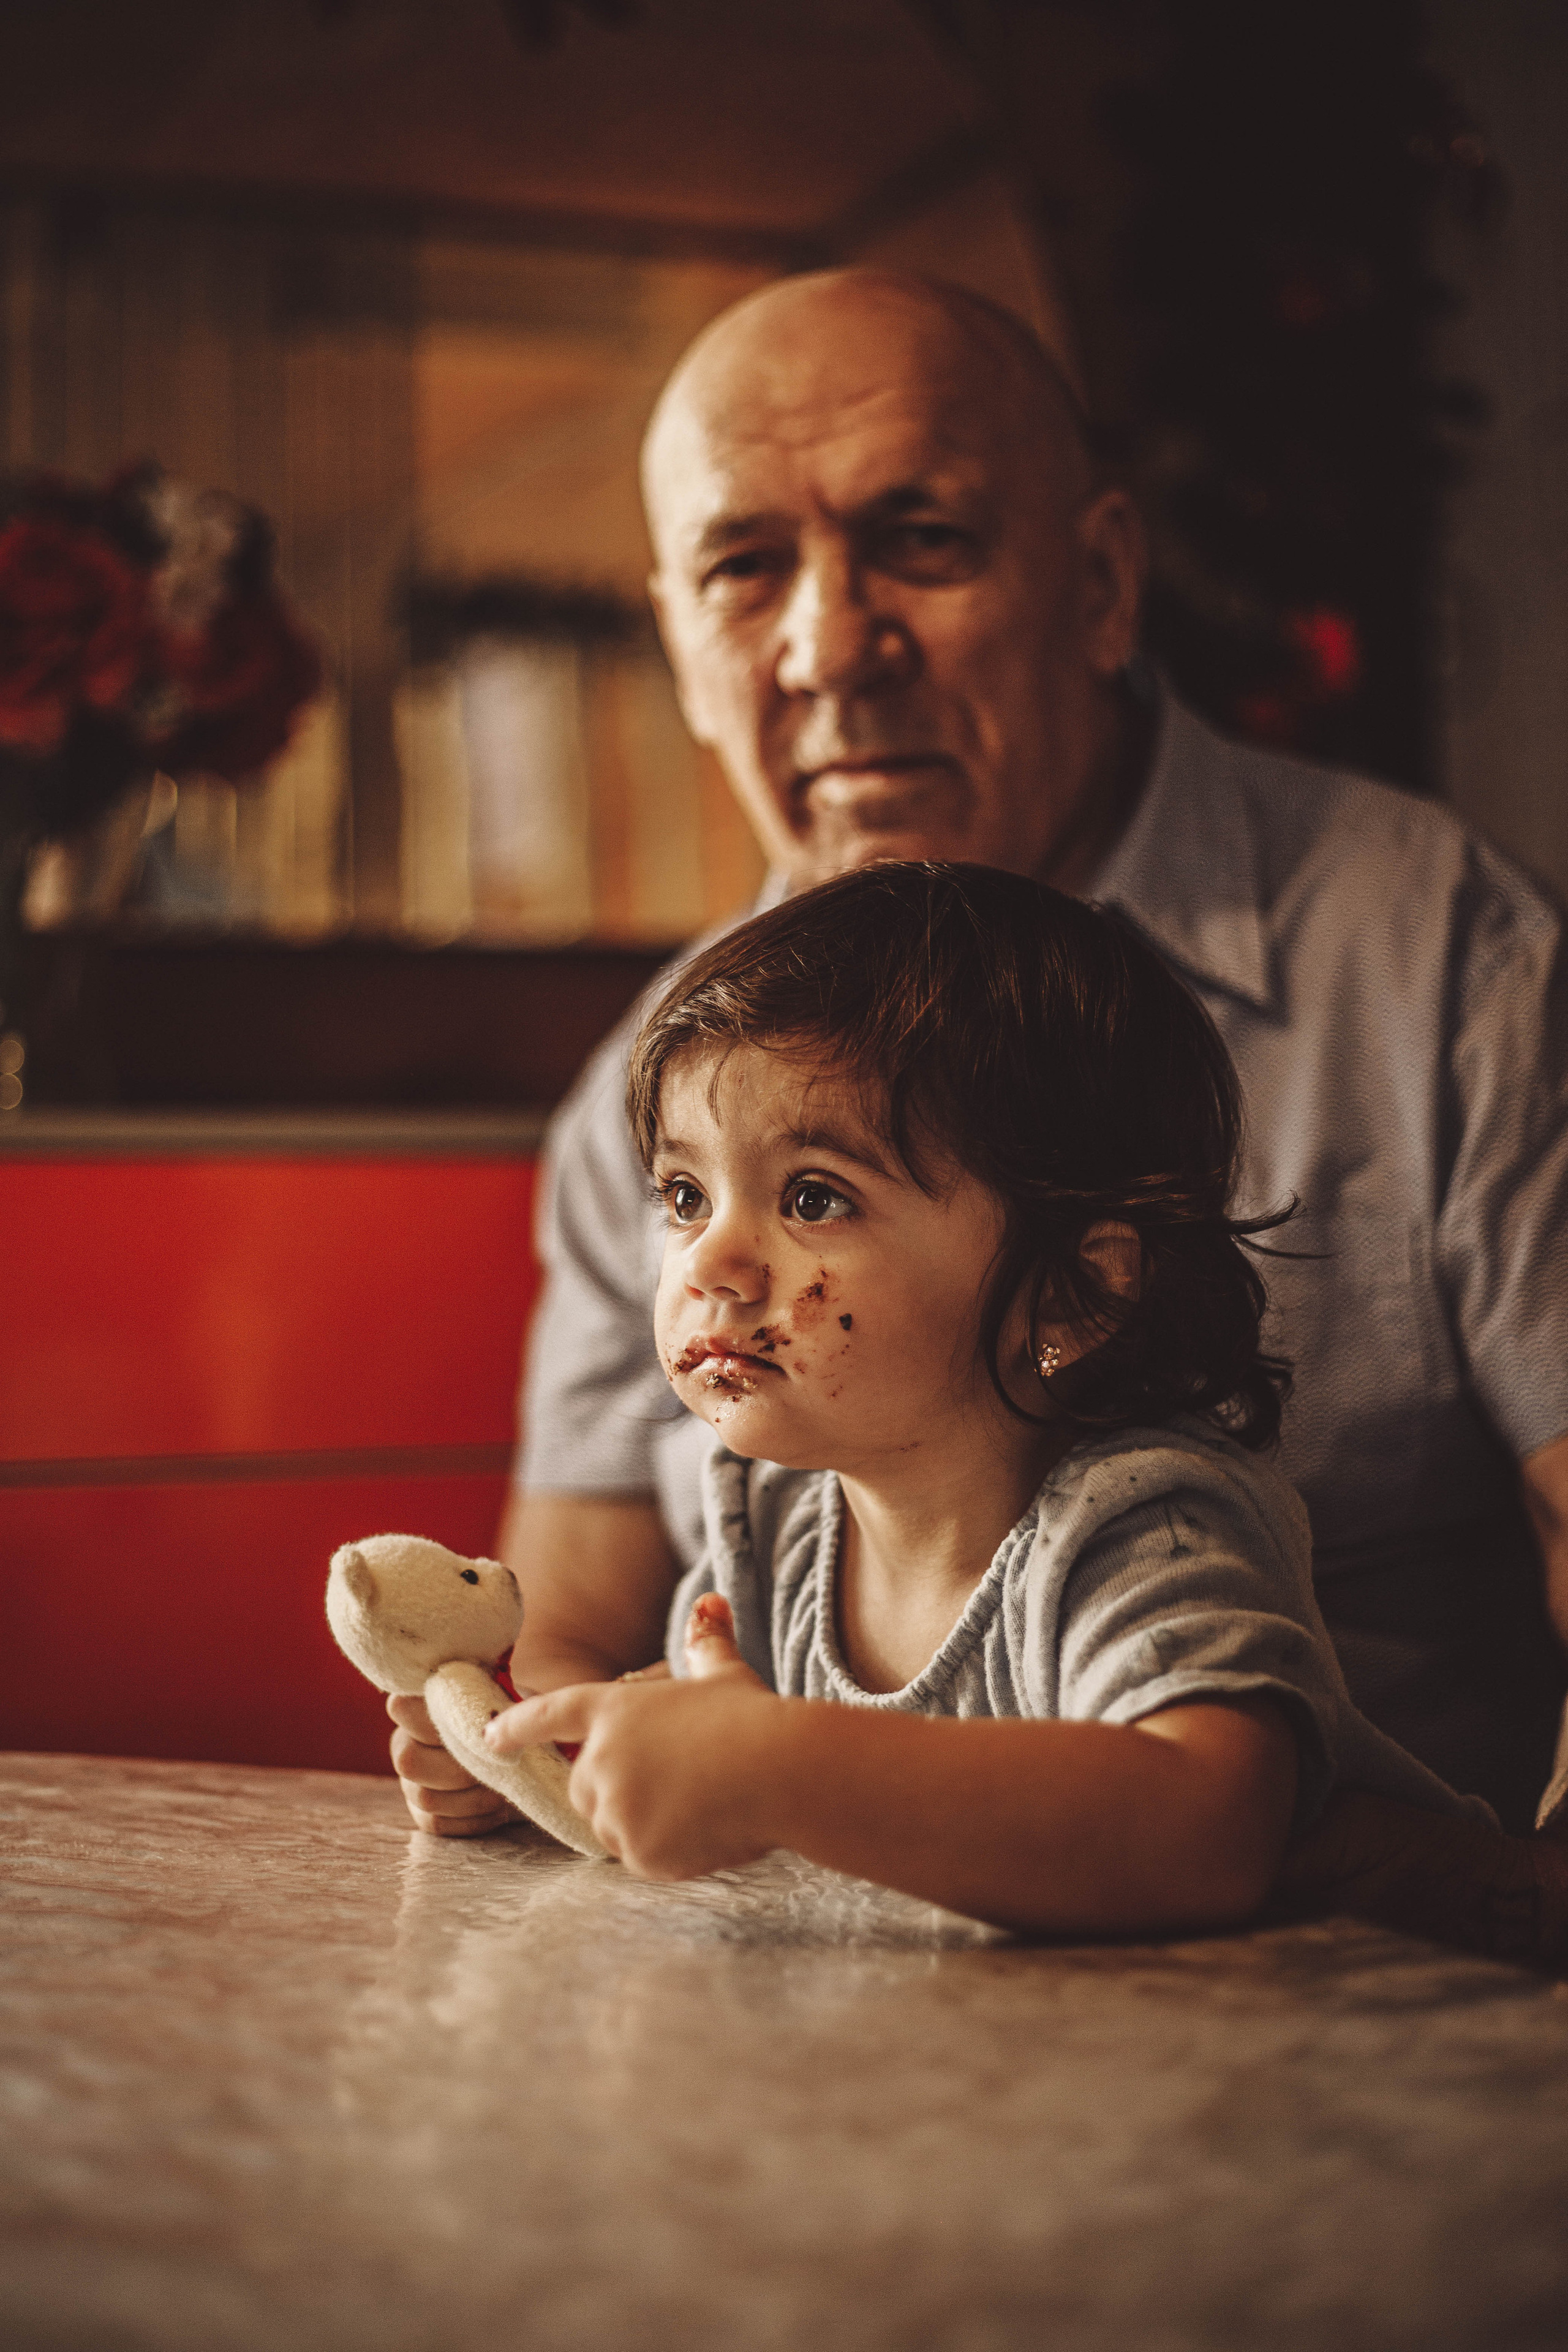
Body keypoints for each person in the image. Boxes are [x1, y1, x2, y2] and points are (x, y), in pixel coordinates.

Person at [390, 266, 1568, 1854]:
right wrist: (515, 1742)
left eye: (922, 542)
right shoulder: (662, 1081)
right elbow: (574, 1612)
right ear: (680, 647)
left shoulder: (1446, 958)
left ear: (1099, 582)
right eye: (745, 568)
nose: (830, 647)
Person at [481, 864, 1491, 1932]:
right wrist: (536, 1759)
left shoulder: (1145, 1523)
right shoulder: (765, 1512)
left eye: (814, 1197)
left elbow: (1206, 1829)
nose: (712, 1263)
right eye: (686, 1195)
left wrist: (775, 1766)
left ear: (1071, 1291)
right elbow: (702, 1747)